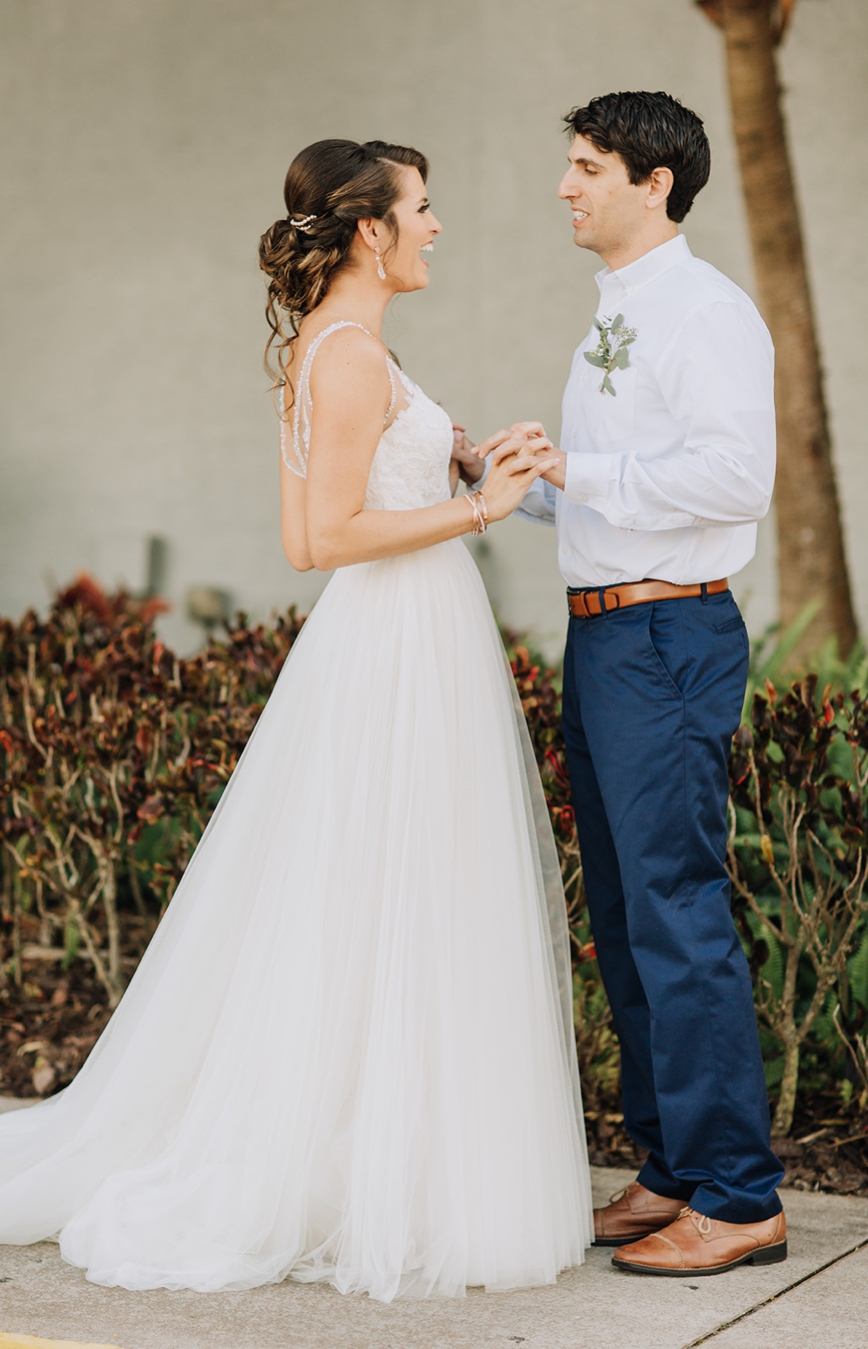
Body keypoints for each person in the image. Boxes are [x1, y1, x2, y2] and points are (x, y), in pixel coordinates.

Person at [0, 138, 592, 1301]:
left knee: (385, 892)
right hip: (398, 640)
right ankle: (370, 1169)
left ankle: (383, 1154)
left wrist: (479, 454)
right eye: (425, 208)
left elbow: (351, 503)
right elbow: (319, 542)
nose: (436, 226)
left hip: (403, 634)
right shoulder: (351, 356)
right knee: (390, 890)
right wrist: (481, 503)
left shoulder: (344, 346)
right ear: (372, 229)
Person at [487, 92, 787, 1276]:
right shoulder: (616, 311)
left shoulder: (708, 313)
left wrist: (583, 466)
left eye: (587, 165)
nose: (567, 186)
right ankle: (670, 1167)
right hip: (607, 634)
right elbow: (629, 488)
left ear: (655, 183)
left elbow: (733, 478)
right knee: (623, 915)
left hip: (667, 638)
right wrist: (524, 477)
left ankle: (740, 1193)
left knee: (678, 913)